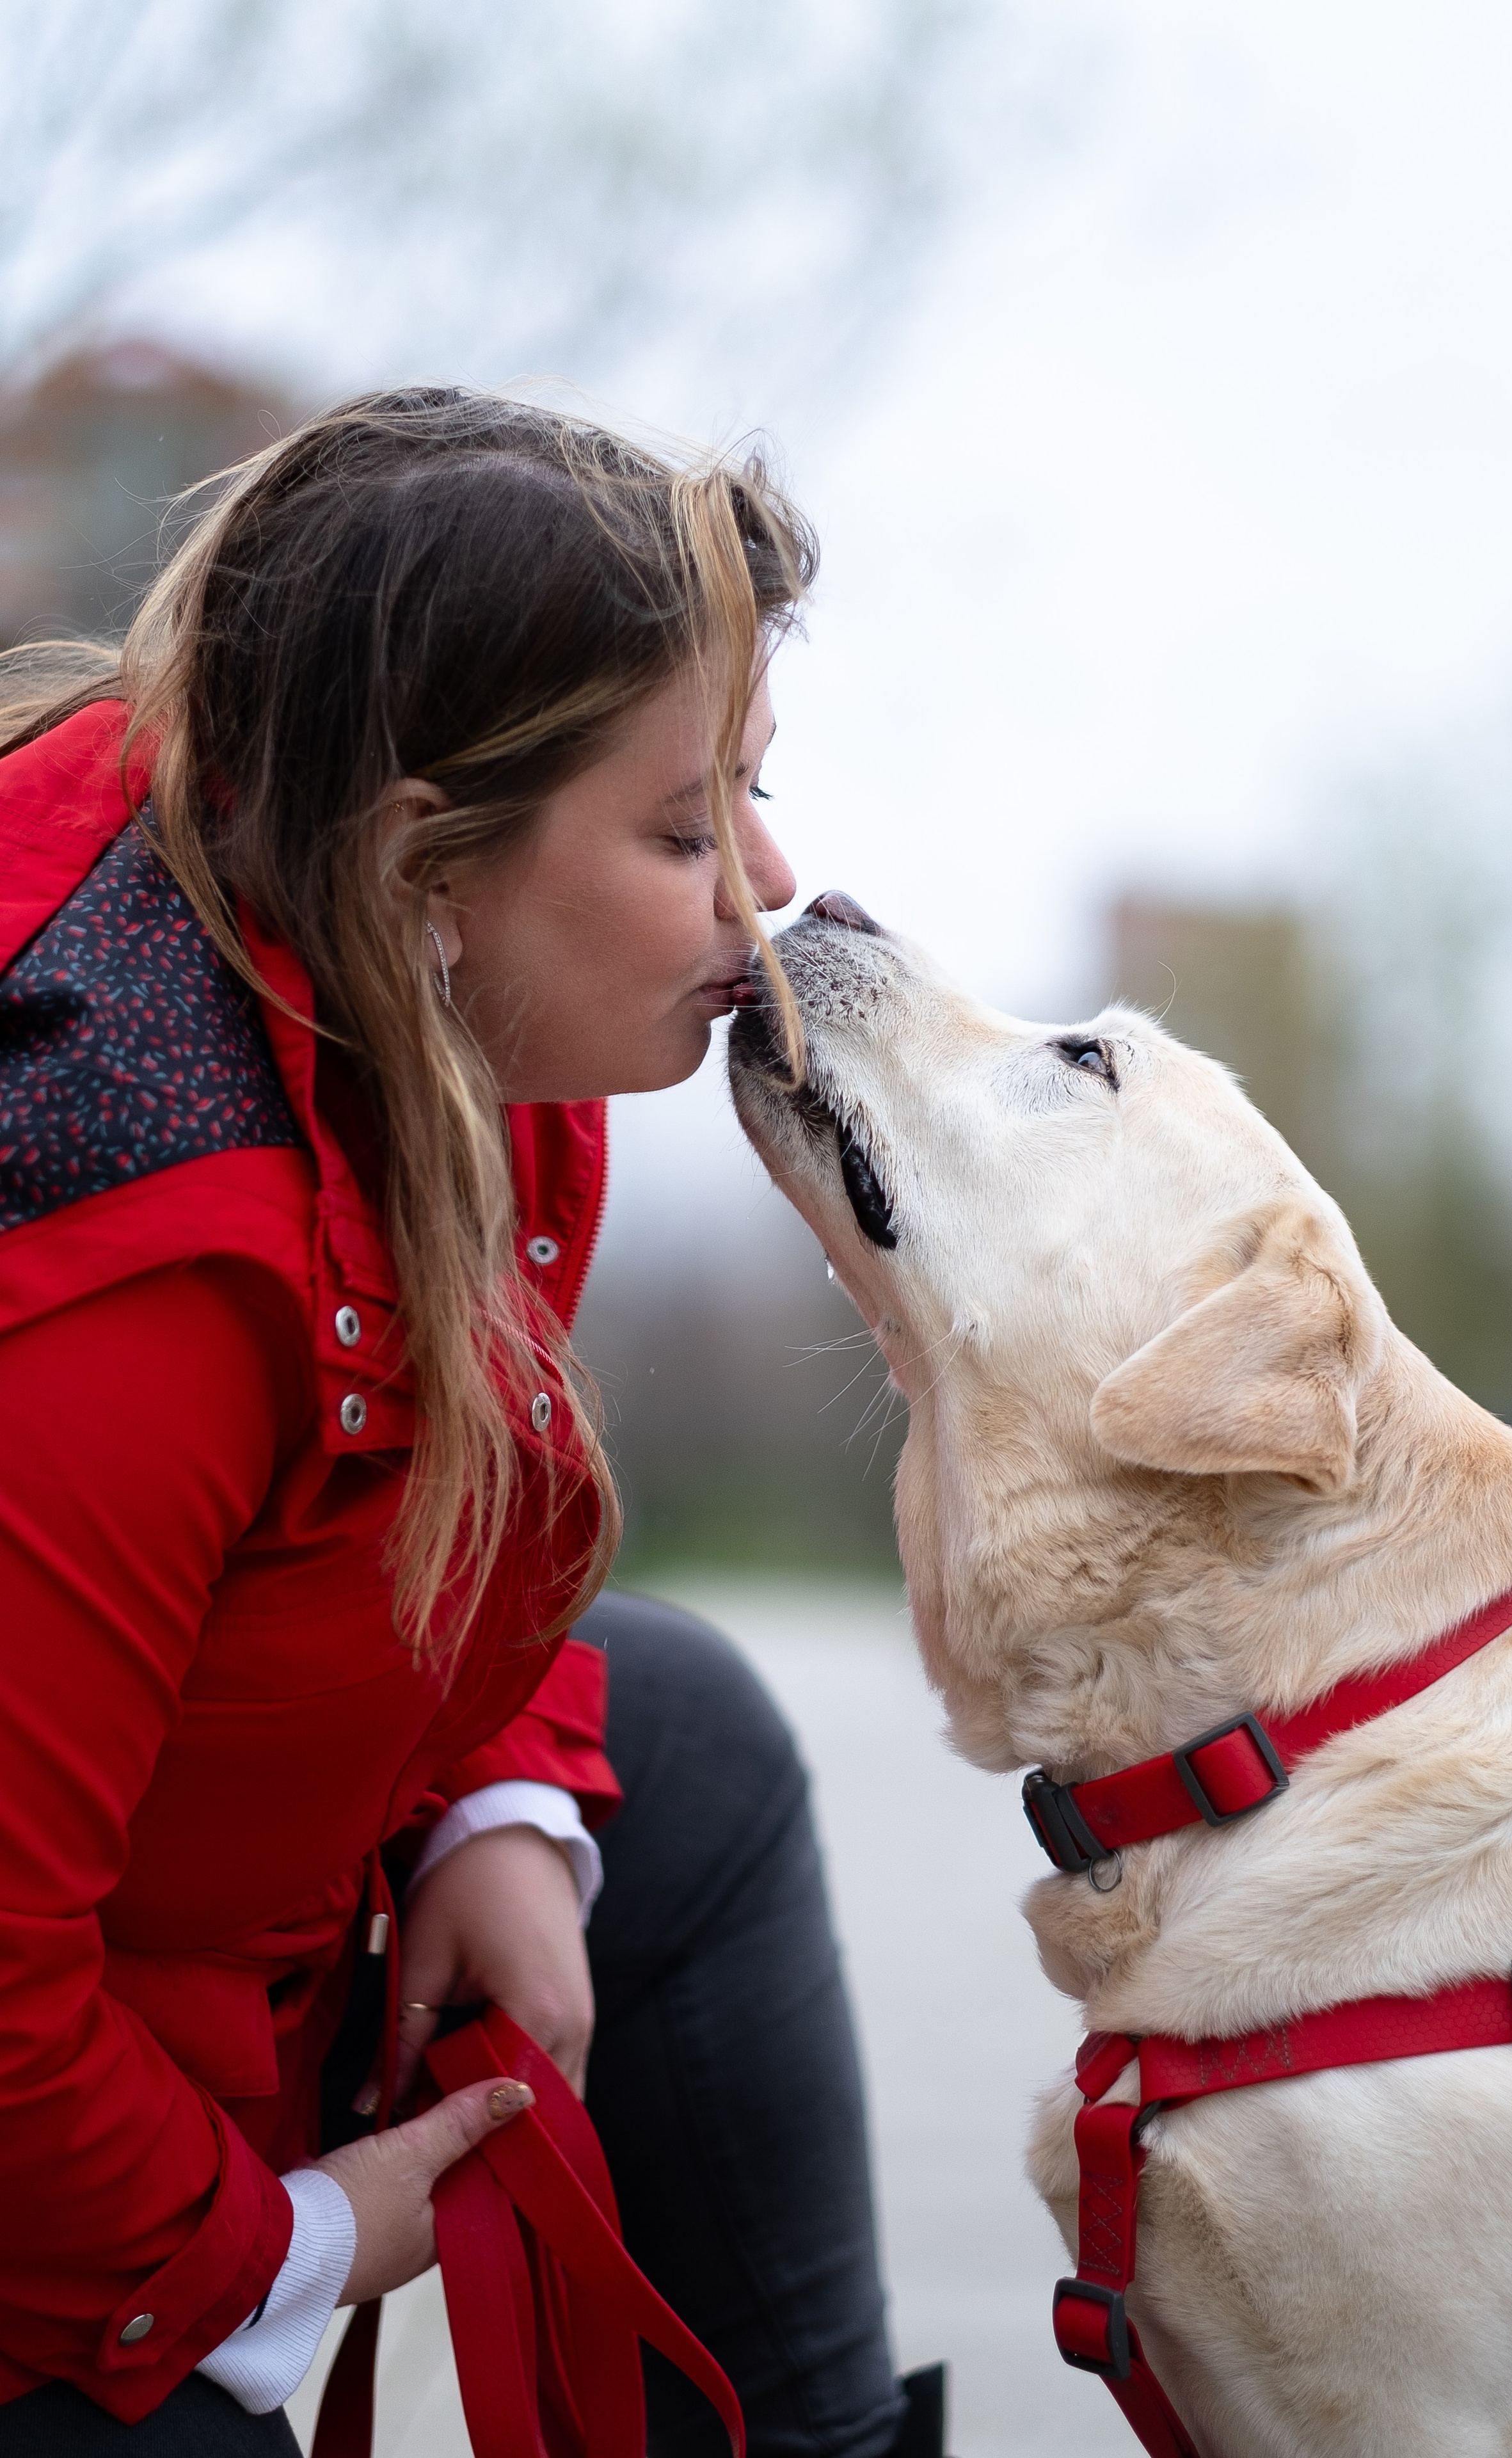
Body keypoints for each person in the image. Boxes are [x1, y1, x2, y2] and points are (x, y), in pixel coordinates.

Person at [0, 392, 941, 2457]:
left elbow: (434, 1526)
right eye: (686, 831)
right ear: (423, 862)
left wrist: (500, 1795)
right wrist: (291, 2244)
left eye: (754, 791)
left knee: (678, 1736)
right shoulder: (135, 1269)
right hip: (44, 2178)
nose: (771, 883)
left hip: (213, 1956)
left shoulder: (461, 1041)